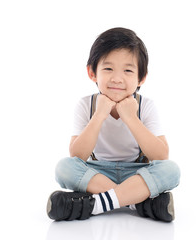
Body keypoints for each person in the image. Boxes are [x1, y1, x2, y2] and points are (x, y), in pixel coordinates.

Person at [46, 27, 180, 222]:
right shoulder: (86, 105)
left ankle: (95, 204)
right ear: (92, 73)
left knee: (171, 170)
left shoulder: (146, 106)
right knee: (63, 168)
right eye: (108, 69)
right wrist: (99, 115)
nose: (117, 78)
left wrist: (131, 118)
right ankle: (137, 202)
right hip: (96, 174)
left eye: (128, 70)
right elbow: (77, 156)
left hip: (137, 175)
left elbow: (161, 156)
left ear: (141, 78)